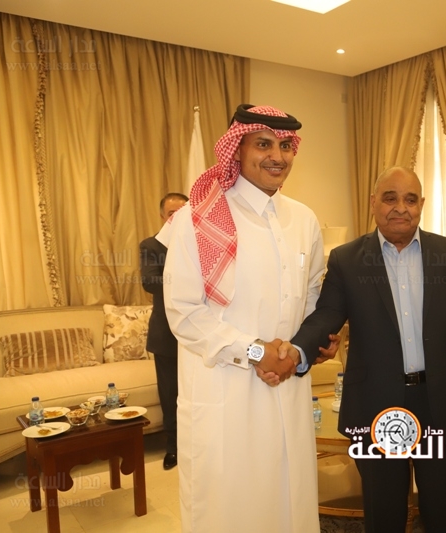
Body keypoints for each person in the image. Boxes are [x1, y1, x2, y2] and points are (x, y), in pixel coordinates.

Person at [283, 166, 446, 533]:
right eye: (390, 198)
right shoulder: (347, 260)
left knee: (443, 510)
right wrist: (296, 351)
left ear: (422, 204)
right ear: (373, 203)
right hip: (375, 406)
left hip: (441, 405)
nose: (400, 207)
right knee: (384, 513)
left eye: (410, 199)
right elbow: (327, 315)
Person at [163, 104, 335, 533]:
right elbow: (184, 313)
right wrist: (256, 352)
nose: (277, 156)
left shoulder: (304, 219)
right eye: (263, 144)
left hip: (288, 388)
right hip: (226, 391)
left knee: (289, 501)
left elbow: (314, 296)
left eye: (286, 146)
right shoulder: (195, 219)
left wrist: (309, 344)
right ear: (236, 149)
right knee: (231, 509)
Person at [140, 192, 188, 471]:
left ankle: (199, 444)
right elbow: (149, 281)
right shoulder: (152, 245)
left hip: (199, 335)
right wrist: (187, 280)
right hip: (166, 335)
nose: (177, 217)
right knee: (170, 396)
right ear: (163, 216)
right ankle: (173, 448)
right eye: (172, 213)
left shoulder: (200, 243)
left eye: (182, 212)